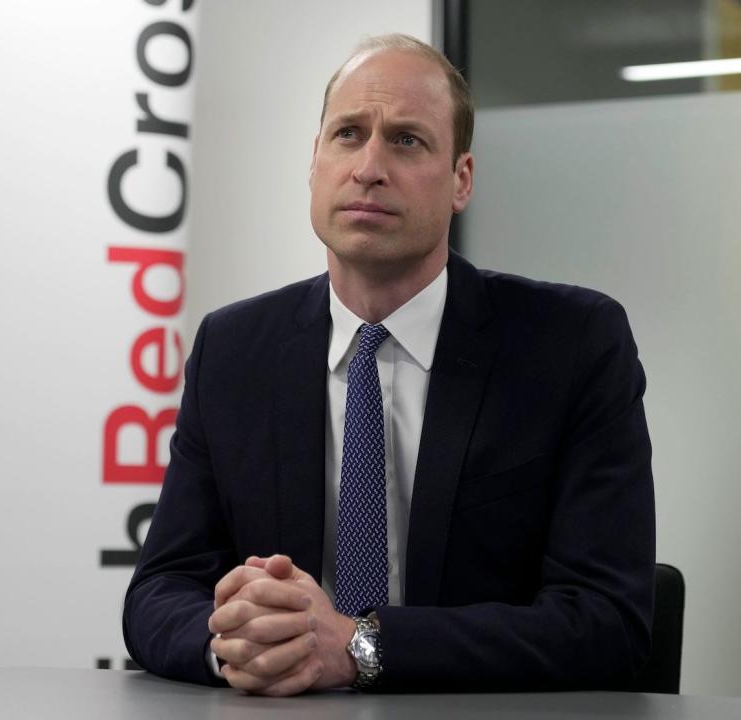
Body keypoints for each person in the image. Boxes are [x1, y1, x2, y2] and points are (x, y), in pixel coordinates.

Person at [123, 33, 655, 696]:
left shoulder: (572, 346)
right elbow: (159, 590)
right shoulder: (234, 350)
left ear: (461, 180)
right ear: (314, 160)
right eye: (348, 134)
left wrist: (360, 647)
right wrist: (236, 639)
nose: (369, 166)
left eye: (406, 140)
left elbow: (610, 622)